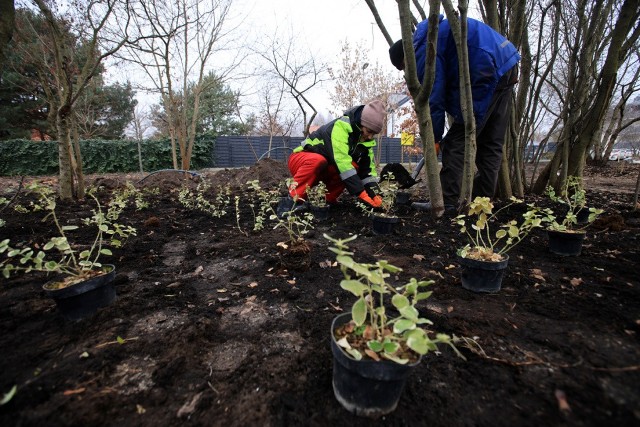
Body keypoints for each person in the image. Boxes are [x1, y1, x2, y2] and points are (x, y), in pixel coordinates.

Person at [388, 15, 520, 213]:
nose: (408, 72)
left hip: (486, 68)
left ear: (405, 58)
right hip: (506, 63)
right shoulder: (434, 34)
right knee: (491, 144)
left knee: (456, 142)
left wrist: (434, 138)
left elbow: (434, 96)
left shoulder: (422, 49)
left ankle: (448, 203)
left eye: (405, 68)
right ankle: (481, 204)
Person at [277, 99, 386, 218]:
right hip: (301, 160)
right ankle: (291, 201)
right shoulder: (340, 127)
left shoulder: (366, 141)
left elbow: (368, 172)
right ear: (361, 123)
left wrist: (376, 195)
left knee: (354, 166)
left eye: (373, 134)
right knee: (325, 162)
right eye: (369, 131)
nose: (370, 136)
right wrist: (361, 194)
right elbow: (342, 162)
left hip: (324, 166)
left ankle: (327, 200)